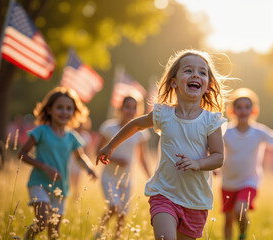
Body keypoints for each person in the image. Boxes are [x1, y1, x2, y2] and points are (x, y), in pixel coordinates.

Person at [97, 49, 229, 240]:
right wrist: (111, 146)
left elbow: (218, 157)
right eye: (188, 70)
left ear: (208, 86)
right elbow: (136, 124)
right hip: (164, 193)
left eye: (202, 72)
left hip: (195, 200)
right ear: (174, 81)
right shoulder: (163, 114)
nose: (195, 75)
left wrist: (197, 163)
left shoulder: (211, 121)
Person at [220, 88, 273, 240]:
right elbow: (212, 148)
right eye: (239, 107)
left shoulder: (259, 132)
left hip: (249, 180)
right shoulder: (226, 132)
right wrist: (211, 165)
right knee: (228, 219)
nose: (243, 110)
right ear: (231, 111)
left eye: (247, 107)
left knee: (240, 210)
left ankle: (243, 234)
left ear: (254, 111)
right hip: (228, 181)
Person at [18, 86, 97, 240]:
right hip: (39, 183)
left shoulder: (72, 137)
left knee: (53, 232)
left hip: (61, 188)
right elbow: (21, 154)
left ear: (74, 112)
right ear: (49, 110)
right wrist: (44, 166)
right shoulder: (41, 131)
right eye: (59, 107)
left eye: (69, 108)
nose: (64, 112)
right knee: (43, 221)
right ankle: (27, 238)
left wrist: (89, 168)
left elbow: (79, 157)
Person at [96, 94, 151, 239]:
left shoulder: (141, 132)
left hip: (127, 178)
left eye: (134, 108)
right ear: (120, 108)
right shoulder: (109, 127)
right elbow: (98, 151)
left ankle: (117, 237)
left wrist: (150, 177)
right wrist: (115, 159)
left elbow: (142, 158)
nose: (130, 111)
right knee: (114, 206)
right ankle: (98, 233)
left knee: (122, 214)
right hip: (109, 177)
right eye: (127, 107)